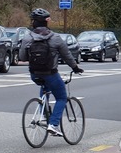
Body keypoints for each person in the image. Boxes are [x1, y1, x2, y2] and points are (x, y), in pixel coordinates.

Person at [19, 8, 83, 136]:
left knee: (45, 86)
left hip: (34, 73)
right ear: (47, 22)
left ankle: (42, 114)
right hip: (50, 73)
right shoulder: (55, 38)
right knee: (61, 97)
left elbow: (22, 57)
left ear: (34, 23)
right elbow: (67, 56)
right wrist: (75, 68)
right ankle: (53, 125)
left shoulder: (27, 37)